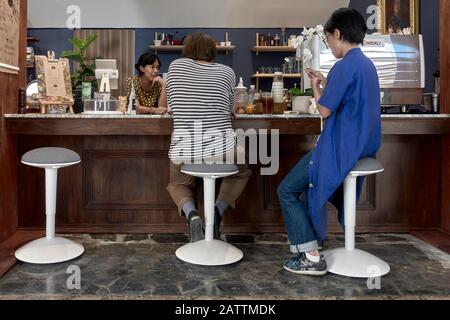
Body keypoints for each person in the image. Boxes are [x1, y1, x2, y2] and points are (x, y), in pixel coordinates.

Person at [277, 8, 381, 276]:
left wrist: (316, 86)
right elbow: (350, 99)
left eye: (327, 40)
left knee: (286, 190)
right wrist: (327, 80)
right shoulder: (366, 65)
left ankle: (311, 257)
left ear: (337, 33)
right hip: (363, 147)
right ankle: (312, 248)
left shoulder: (344, 65)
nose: (329, 45)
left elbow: (323, 110)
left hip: (340, 148)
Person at [166, 33, 252, 242]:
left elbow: (171, 106)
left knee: (177, 183)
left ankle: (192, 214)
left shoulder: (175, 67)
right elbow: (231, 108)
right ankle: (217, 212)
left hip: (184, 149)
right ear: (212, 51)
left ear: (188, 50)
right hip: (223, 148)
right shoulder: (227, 72)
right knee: (242, 171)